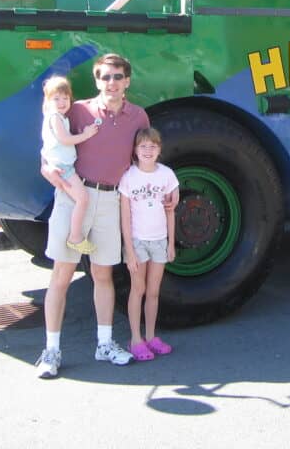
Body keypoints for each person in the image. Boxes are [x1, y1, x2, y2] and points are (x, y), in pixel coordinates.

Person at [35, 53, 176, 378]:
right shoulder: (78, 110)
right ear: (97, 81)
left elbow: (144, 162)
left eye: (117, 77)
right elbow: (51, 145)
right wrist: (45, 168)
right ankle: (51, 351)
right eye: (105, 77)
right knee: (61, 275)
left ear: (127, 81)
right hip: (75, 197)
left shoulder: (138, 118)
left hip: (112, 201)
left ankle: (105, 344)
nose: (111, 83)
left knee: (103, 275)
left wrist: (170, 188)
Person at [120, 127, 178, 361]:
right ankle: (136, 339)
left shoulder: (166, 175)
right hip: (138, 242)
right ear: (135, 150)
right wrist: (130, 251)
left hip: (159, 241)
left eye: (153, 146)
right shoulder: (129, 177)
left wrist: (171, 243)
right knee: (138, 289)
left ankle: (151, 336)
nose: (148, 150)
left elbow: (170, 211)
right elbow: (124, 217)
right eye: (143, 146)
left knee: (153, 291)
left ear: (159, 150)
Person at [40, 76, 99, 254]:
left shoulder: (57, 117)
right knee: (83, 199)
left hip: (62, 165)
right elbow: (65, 140)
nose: (62, 102)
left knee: (79, 199)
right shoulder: (55, 118)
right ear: (48, 100)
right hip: (63, 167)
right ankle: (75, 237)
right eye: (56, 98)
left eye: (65, 98)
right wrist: (87, 134)